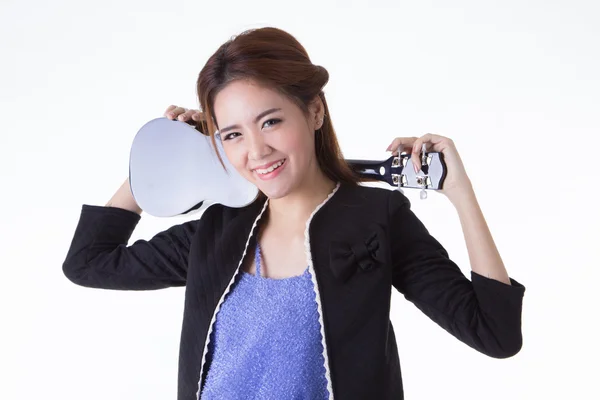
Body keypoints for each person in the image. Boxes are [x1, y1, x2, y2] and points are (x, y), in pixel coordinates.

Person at [62, 27, 526, 400]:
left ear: (315, 110)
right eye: (232, 135)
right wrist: (160, 158)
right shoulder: (218, 230)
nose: (256, 151)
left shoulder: (376, 218)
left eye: (270, 121)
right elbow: (88, 262)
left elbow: (495, 333)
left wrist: (461, 194)